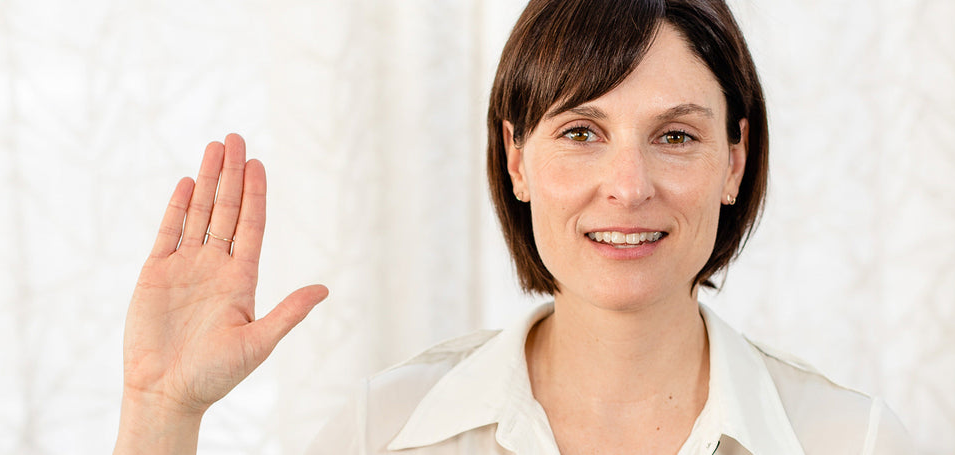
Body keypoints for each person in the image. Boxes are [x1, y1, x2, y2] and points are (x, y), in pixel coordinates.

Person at [113, 0, 914, 454]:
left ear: (735, 160)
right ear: (517, 157)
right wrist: (161, 409)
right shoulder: (385, 433)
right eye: (581, 132)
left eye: (676, 135)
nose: (628, 187)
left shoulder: (854, 440)